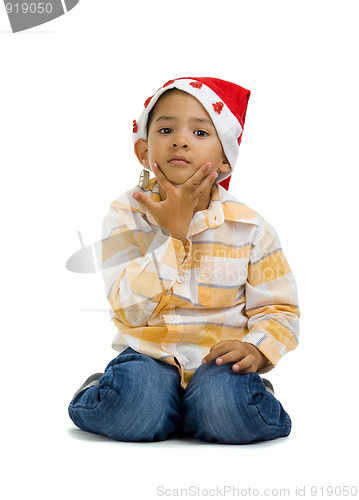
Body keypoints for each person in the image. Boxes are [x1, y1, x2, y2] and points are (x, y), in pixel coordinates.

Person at [68, 77, 300, 444]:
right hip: (149, 357)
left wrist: (256, 349)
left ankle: (208, 403)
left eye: (200, 132)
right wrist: (174, 238)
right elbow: (127, 308)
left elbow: (280, 309)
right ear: (143, 151)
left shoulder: (251, 228)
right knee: (138, 402)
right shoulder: (124, 215)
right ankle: (119, 394)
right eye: (166, 129)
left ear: (225, 158)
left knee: (226, 406)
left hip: (219, 363)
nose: (180, 140)